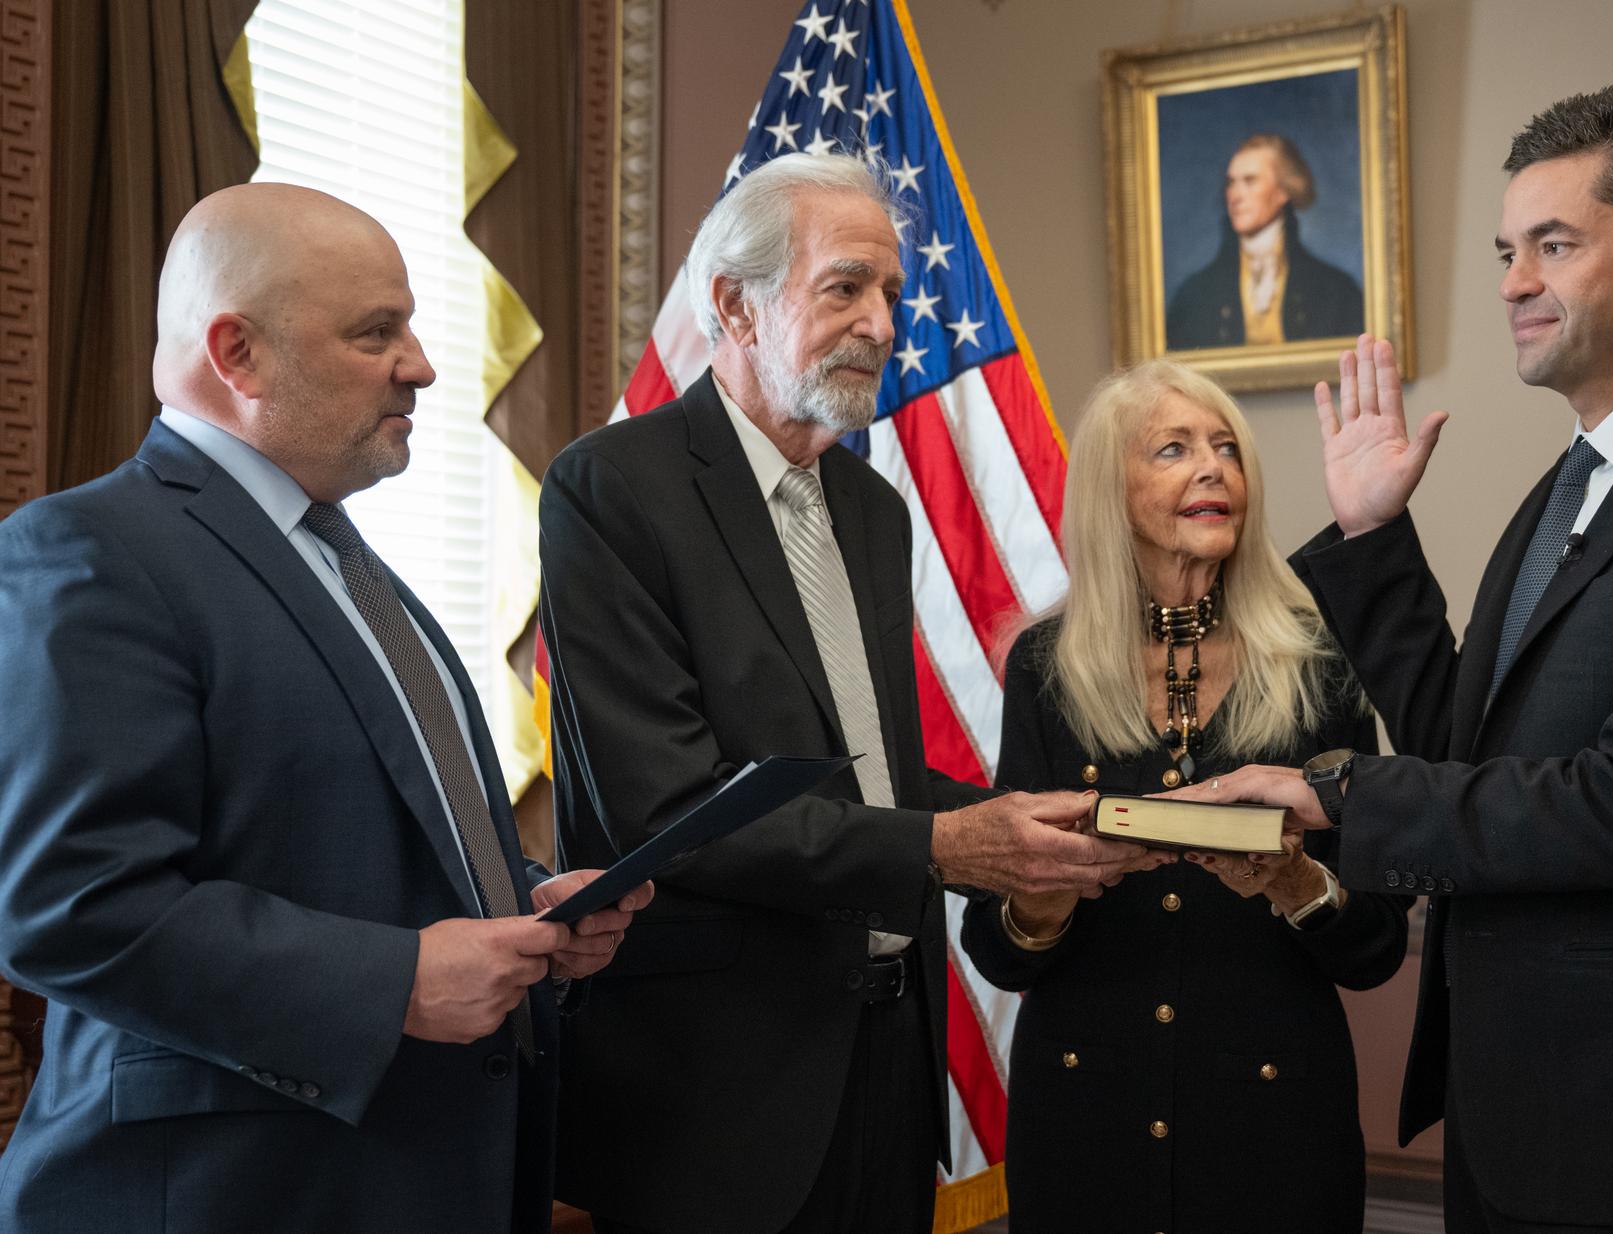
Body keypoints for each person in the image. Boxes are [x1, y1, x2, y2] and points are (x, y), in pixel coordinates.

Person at [1181, 84, 1613, 1232]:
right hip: (1511, 1115)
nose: (1510, 285)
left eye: (1554, 245)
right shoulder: (1567, 487)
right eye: (1507, 251)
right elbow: (1463, 746)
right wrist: (1370, 538)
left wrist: (1334, 791)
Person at [0, 183, 647, 1234]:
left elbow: (342, 845)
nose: (424, 365)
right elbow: (71, 905)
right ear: (237, 354)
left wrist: (523, 911)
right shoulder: (91, 553)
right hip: (234, 1194)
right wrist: (398, 980)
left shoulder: (354, 567)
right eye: (375, 332)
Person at [538, 152, 1161, 1234]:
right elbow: (673, 809)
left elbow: (865, 772)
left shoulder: (871, 507)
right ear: (733, 304)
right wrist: (945, 848)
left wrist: (1013, 824)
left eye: (888, 289)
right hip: (717, 1092)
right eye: (845, 287)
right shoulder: (611, 489)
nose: (882, 322)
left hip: (887, 1060)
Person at [957, 359, 1409, 1233]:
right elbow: (999, 951)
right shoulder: (1045, 668)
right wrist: (1040, 906)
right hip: (1087, 1129)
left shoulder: (1321, 657)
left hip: (1273, 1134)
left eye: (1227, 449)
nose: (1213, 469)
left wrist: (1292, 883)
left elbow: (1377, 949)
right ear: (1110, 493)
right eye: (1174, 449)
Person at [1165, 133, 1365, 351]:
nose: (1235, 196)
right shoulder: (1195, 294)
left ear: (1283, 192)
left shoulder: (1335, 290)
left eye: (1250, 181)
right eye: (1231, 183)